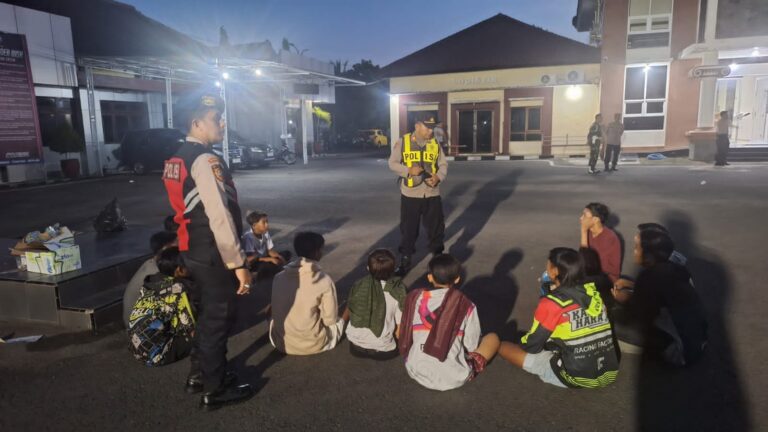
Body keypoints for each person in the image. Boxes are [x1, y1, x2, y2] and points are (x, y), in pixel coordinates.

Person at [162, 89, 253, 410]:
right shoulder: (205, 158)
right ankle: (215, 389)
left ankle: (199, 375)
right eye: (216, 119)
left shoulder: (176, 158)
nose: (223, 124)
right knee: (219, 319)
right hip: (214, 252)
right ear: (197, 123)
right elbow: (219, 213)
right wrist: (237, 261)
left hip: (192, 249)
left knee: (205, 317)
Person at [498, 247, 619, 388]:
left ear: (554, 271)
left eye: (548, 265)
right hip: (610, 372)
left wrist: (522, 341)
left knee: (503, 345)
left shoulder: (551, 303)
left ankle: (493, 344)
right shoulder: (594, 293)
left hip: (578, 377)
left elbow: (532, 346)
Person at [399, 254, 500, 391]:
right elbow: (471, 345)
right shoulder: (467, 305)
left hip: (415, 369)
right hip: (454, 377)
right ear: (457, 279)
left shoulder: (415, 298)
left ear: (429, 277)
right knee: (493, 338)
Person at [611, 228, 707, 366]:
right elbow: (661, 293)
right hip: (700, 338)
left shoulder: (648, 277)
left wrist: (623, 299)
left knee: (612, 322)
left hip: (681, 350)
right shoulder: (677, 267)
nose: (634, 252)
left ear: (649, 256)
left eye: (637, 248)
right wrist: (632, 285)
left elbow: (638, 317)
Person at [388, 113, 448, 275]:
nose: (430, 131)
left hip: (432, 193)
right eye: (427, 127)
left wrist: (438, 177)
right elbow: (392, 164)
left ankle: (438, 260)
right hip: (410, 195)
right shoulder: (403, 142)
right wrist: (408, 170)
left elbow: (443, 164)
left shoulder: (435, 143)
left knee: (436, 229)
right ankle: (405, 260)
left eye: (432, 127)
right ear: (417, 126)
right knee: (409, 229)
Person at [269, 232, 346, 355]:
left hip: (281, 342)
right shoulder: (324, 280)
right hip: (313, 344)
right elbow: (329, 321)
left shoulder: (278, 277)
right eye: (322, 249)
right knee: (340, 317)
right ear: (316, 252)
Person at [127, 246, 196, 366]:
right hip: (155, 355)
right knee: (207, 337)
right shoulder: (178, 290)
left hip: (137, 349)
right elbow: (190, 328)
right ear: (179, 270)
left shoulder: (151, 281)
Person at [344, 249, 406, 360]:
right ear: (393, 269)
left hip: (355, 348)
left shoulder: (358, 285)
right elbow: (400, 328)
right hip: (383, 351)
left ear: (368, 268)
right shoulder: (398, 291)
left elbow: (350, 307)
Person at [122, 230, 178, 328]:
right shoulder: (156, 273)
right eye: (176, 244)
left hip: (139, 321)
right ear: (166, 248)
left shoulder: (152, 263)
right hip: (141, 329)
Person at [241, 210, 291, 280]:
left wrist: (279, 256)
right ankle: (255, 274)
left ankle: (271, 270)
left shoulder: (265, 233)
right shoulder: (248, 237)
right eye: (264, 223)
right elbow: (250, 259)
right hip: (255, 263)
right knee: (267, 266)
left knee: (286, 254)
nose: (267, 225)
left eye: (267, 222)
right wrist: (269, 259)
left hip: (265, 258)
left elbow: (270, 250)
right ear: (254, 225)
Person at [579, 202, 621, 283]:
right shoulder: (589, 232)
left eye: (585, 215)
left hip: (606, 278)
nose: (581, 218)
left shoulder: (609, 238)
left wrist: (583, 231)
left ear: (596, 219)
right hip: (591, 274)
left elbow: (589, 265)